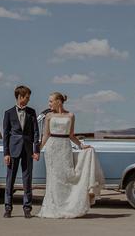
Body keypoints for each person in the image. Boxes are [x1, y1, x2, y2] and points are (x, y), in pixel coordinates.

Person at [37, 91, 105, 219]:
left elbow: (71, 135)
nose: (49, 103)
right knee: (54, 179)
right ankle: (54, 207)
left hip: (64, 147)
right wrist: (38, 150)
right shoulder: (49, 116)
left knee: (66, 177)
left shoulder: (71, 115)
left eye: (51, 101)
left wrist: (81, 145)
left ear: (59, 101)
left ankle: (67, 206)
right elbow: (46, 135)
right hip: (52, 148)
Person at [1, 85, 40, 218]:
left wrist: (36, 150)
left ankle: (27, 208)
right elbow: (5, 134)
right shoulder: (8, 113)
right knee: (10, 180)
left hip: (28, 150)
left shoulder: (31, 112)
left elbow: (36, 132)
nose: (28, 100)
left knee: (27, 179)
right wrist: (6, 153)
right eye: (27, 97)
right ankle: (7, 208)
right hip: (13, 150)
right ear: (20, 97)